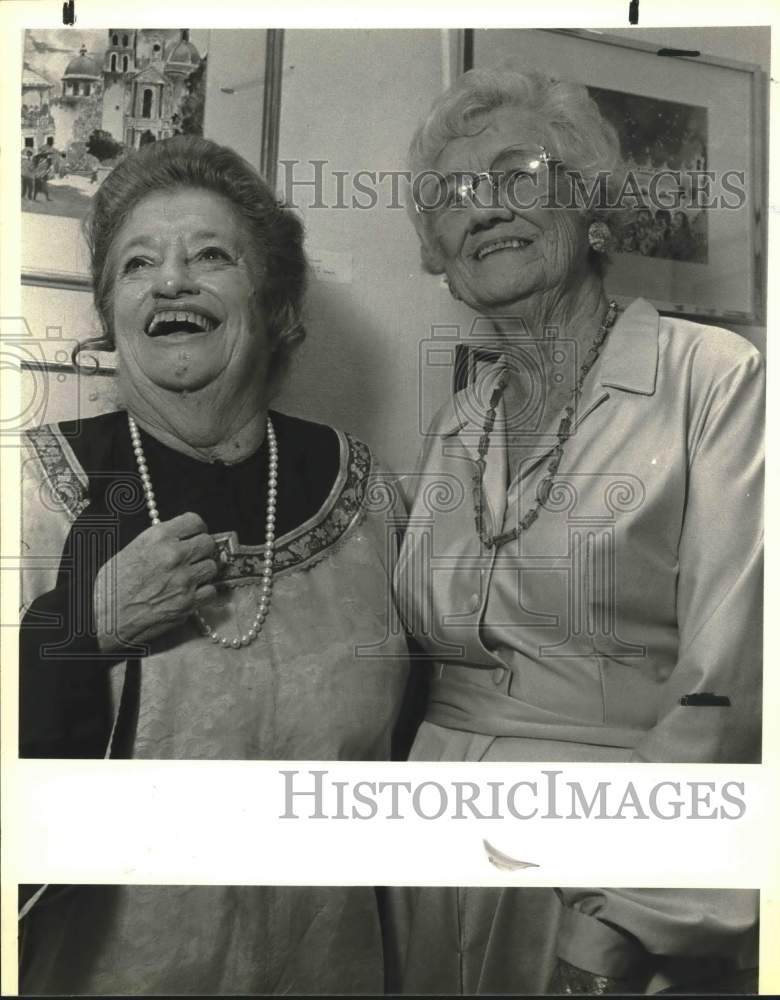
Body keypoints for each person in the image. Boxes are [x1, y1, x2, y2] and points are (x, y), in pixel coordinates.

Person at [389, 69, 762, 995]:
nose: (485, 208)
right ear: (438, 254)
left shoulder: (715, 381)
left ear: (590, 204)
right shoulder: (457, 422)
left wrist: (622, 921)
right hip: (429, 863)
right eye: (453, 195)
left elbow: (732, 688)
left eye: (517, 174)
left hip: (609, 873)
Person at [18, 135, 409, 995]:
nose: (171, 282)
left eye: (210, 257)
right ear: (110, 314)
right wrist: (81, 633)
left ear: (273, 306)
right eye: (137, 264)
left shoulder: (369, 493)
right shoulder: (29, 488)